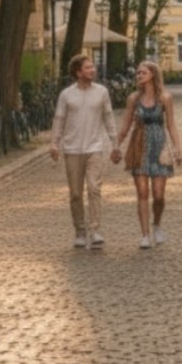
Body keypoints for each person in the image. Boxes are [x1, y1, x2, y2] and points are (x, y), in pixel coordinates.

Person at [50, 53, 122, 248]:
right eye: (88, 68)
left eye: (93, 67)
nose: (93, 70)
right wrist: (55, 143)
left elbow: (108, 117)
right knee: (75, 193)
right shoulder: (66, 95)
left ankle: (95, 229)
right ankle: (80, 230)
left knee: (94, 187)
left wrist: (115, 143)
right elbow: (59, 119)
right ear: (78, 72)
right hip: (72, 149)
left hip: (94, 148)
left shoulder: (101, 92)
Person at [116, 59, 182, 249]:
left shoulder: (165, 98)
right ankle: (145, 235)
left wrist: (178, 148)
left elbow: (171, 125)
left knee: (159, 195)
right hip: (139, 146)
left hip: (159, 145)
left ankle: (157, 225)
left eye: (142, 72)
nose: (139, 75)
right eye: (137, 73)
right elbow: (125, 125)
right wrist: (117, 145)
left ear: (153, 74)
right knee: (143, 192)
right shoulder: (133, 99)